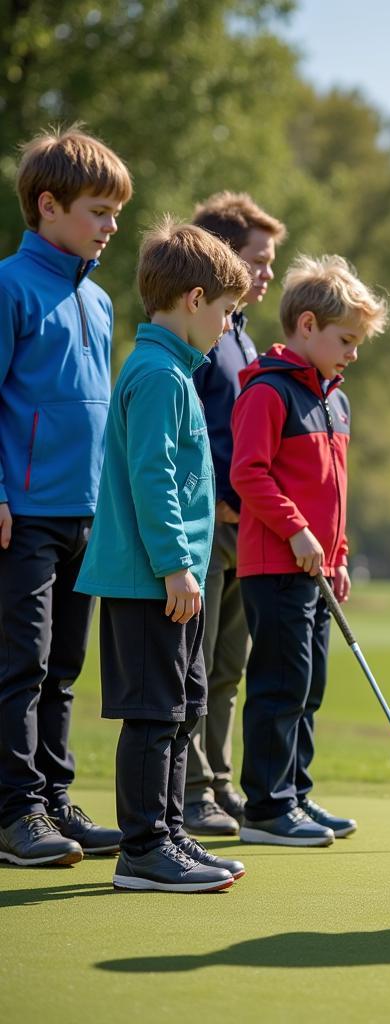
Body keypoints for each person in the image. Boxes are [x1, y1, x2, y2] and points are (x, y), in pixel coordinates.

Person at [75, 218, 251, 892]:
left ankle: (170, 832)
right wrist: (177, 564)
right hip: (149, 580)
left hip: (171, 582)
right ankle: (143, 848)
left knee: (182, 708)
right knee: (153, 714)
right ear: (196, 300)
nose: (230, 327)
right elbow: (153, 478)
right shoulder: (156, 375)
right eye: (229, 313)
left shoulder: (174, 371)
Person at [0, 126, 132, 867]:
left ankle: (53, 800)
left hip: (84, 515)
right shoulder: (9, 287)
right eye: (98, 211)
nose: (112, 227)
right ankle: (15, 813)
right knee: (21, 664)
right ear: (48, 206)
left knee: (63, 669)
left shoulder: (102, 299)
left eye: (116, 214)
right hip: (24, 513)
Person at [231, 254, 389, 846]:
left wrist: (339, 552)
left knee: (310, 681)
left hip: (318, 569)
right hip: (275, 564)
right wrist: (297, 530)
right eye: (345, 339)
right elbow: (248, 474)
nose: (353, 352)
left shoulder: (336, 400)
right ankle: (267, 809)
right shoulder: (267, 392)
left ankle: (295, 792)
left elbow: (337, 492)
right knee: (280, 681)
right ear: (305, 325)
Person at [182, 192, 288, 837]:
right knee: (193, 667)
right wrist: (214, 495)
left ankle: (217, 784)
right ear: (223, 256)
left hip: (244, 528)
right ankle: (190, 791)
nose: (268, 272)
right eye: (259, 260)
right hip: (205, 524)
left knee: (227, 668)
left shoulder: (242, 336)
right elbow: (185, 432)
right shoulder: (198, 337)